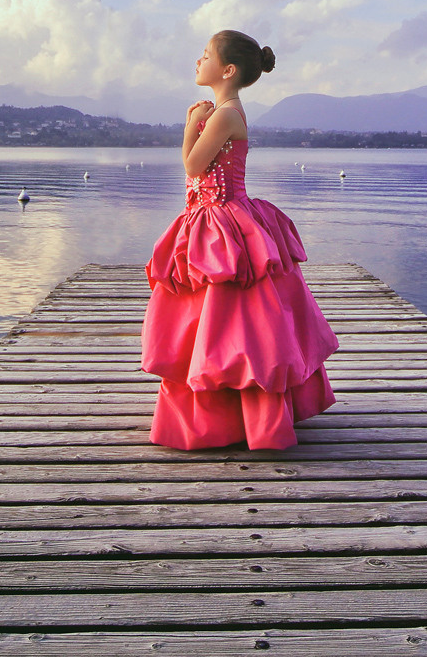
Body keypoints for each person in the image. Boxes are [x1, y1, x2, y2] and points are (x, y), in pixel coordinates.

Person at [141, 30, 339, 450]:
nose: (199, 60)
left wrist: (190, 126)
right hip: (215, 217)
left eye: (206, 54)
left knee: (233, 323)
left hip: (222, 218)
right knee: (217, 320)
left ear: (227, 70)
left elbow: (194, 166)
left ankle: (235, 416)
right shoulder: (224, 110)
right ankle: (231, 414)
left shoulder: (226, 114)